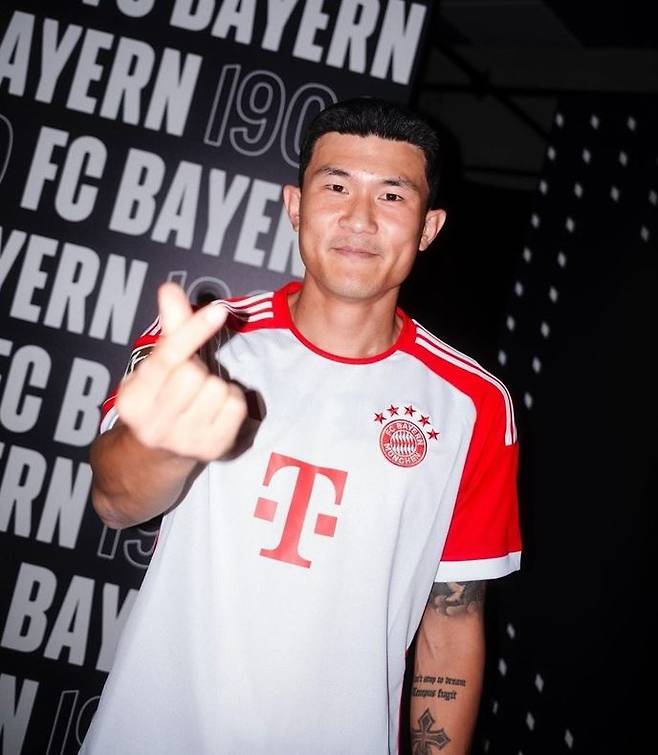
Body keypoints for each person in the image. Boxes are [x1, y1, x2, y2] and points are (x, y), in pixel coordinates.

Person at [81, 97, 522, 755]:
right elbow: (115, 501)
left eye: (392, 195)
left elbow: (451, 624)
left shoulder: (473, 404)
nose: (359, 218)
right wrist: (165, 444)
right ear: (295, 205)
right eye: (336, 186)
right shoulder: (205, 343)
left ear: (429, 227)